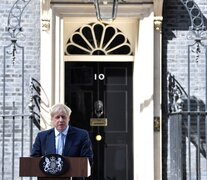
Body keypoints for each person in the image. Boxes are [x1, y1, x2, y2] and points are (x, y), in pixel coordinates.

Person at [31, 103, 93, 180]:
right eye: (57, 117)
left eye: (63, 117)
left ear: (68, 118)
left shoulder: (82, 135)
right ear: (52, 119)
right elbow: (33, 159)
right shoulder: (42, 137)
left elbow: (88, 160)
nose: (61, 120)